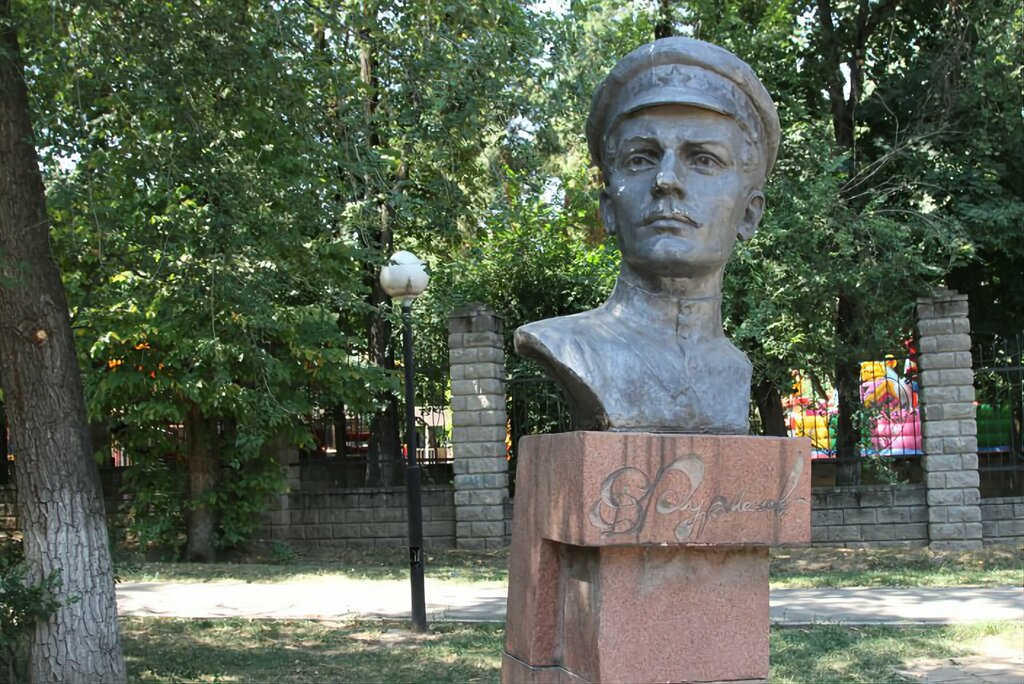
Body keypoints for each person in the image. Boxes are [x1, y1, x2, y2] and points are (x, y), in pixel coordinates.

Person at [514, 37, 780, 434]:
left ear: (748, 214)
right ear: (608, 209)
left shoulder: (735, 371)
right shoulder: (569, 347)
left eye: (703, 159)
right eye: (641, 158)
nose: (666, 180)